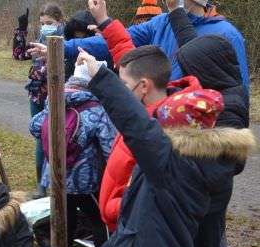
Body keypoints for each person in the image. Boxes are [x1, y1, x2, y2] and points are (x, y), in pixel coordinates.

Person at [79, 48, 256, 247]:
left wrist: (101, 77)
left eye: (162, 127)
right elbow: (137, 212)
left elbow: (137, 127)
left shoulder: (178, 169)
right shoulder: (168, 167)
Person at [86, 0, 203, 233]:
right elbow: (131, 61)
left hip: (134, 227)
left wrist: (109, 209)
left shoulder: (152, 129)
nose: (121, 89)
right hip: (124, 229)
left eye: (123, 85)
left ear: (143, 87)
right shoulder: (150, 104)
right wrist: (105, 21)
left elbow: (145, 200)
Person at [168, 4, 250, 247]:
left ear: (206, 73)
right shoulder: (221, 83)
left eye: (192, 73)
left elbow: (222, 164)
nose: (188, 79)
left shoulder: (227, 109)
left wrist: (169, 143)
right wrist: (177, 11)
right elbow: (196, 47)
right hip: (203, 199)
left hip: (209, 200)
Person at [44, 0, 251, 105]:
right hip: (156, 120)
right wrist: (58, 48)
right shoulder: (161, 23)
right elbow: (115, 41)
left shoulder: (226, 34)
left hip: (198, 132)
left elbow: (237, 96)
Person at [29, 61, 115, 247]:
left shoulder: (54, 101)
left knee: (62, 225)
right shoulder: (96, 107)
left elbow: (34, 126)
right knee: (101, 221)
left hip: (56, 179)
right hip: (87, 181)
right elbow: (109, 146)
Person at [26, 2, 65, 198]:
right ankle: (41, 186)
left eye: (49, 22)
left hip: (55, 92)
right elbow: (31, 60)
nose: (45, 27)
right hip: (37, 91)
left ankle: (57, 179)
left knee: (57, 135)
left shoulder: (67, 39)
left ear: (59, 21)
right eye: (42, 23)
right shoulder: (40, 37)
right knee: (40, 136)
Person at [63, 10, 98, 79]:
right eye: (77, 38)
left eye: (85, 39)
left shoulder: (101, 54)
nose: (81, 43)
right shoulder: (71, 55)